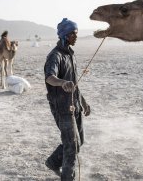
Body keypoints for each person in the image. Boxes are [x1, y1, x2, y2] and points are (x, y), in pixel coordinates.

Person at [44, 18, 91, 180]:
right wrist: (62, 83)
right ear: (64, 35)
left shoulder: (71, 54)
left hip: (75, 105)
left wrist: (83, 102)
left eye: (76, 33)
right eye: (73, 34)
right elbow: (50, 77)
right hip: (62, 108)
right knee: (71, 147)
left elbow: (75, 83)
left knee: (79, 142)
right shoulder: (55, 56)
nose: (76, 37)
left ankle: (52, 162)